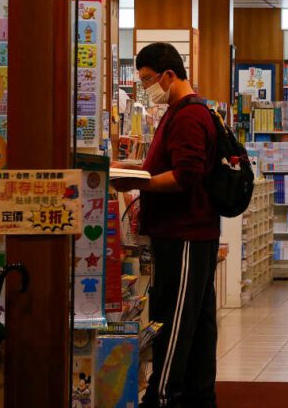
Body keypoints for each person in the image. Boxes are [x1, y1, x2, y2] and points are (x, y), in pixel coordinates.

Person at [111, 42, 219, 408]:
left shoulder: (188, 115)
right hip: (187, 232)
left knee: (175, 318)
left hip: (184, 232)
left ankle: (162, 396)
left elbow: (186, 175)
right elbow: (171, 166)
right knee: (197, 319)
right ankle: (198, 396)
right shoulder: (182, 111)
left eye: (147, 80)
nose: (145, 89)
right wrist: (136, 168)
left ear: (169, 75)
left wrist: (139, 182)